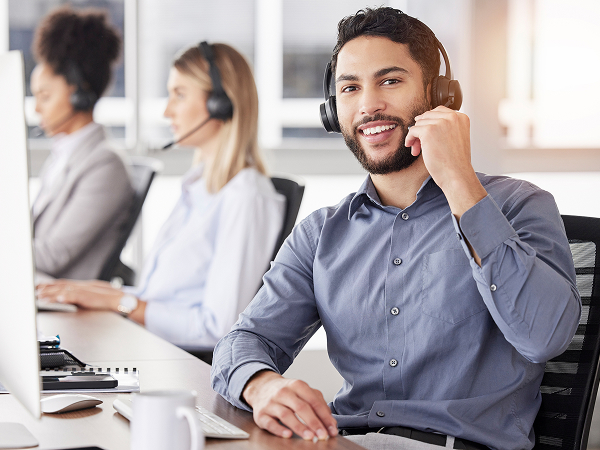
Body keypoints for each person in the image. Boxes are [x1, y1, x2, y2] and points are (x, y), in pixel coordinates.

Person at [210, 7, 581, 450]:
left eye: (390, 81)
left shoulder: (519, 205)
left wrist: (460, 182)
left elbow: (543, 337)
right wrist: (262, 385)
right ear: (334, 111)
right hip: (346, 440)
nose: (368, 105)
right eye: (350, 88)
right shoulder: (321, 233)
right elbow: (246, 339)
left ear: (439, 94)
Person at [37, 42, 286, 351]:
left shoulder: (246, 197)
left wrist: (122, 302)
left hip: (175, 364)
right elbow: (165, 299)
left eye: (179, 95)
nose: (168, 111)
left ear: (220, 103)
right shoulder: (199, 187)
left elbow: (219, 326)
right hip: (150, 344)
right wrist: (94, 292)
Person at [30, 6, 134, 280]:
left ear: (78, 95)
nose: (37, 109)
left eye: (45, 96)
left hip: (65, 310)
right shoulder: (63, 155)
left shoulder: (105, 165)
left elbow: (53, 256)